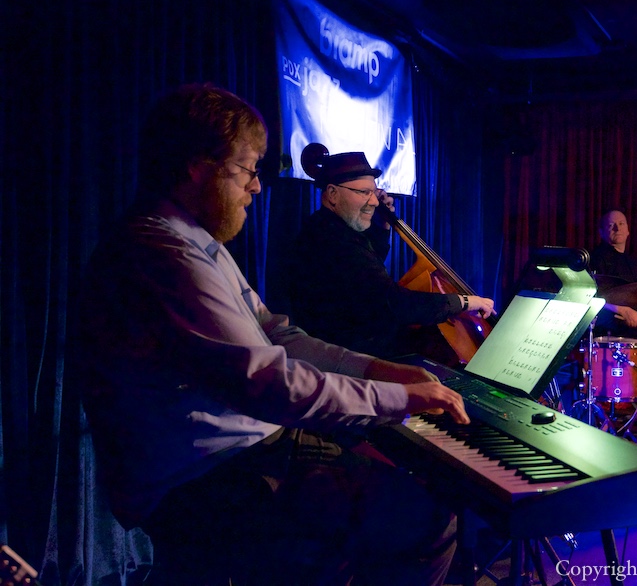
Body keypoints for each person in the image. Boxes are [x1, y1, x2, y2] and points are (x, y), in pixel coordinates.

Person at [77, 83, 470, 585]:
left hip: (244, 450)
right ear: (199, 166)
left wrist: (379, 371)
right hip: (209, 477)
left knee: (393, 490)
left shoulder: (198, 244)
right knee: (428, 516)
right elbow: (265, 381)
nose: (257, 187)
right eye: (247, 169)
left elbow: (276, 332)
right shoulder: (162, 253)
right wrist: (396, 397)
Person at [288, 143, 494, 361]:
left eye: (374, 193)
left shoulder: (330, 229)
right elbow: (395, 303)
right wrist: (465, 302)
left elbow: (365, 271)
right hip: (344, 362)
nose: (375, 201)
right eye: (364, 192)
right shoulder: (331, 239)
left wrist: (383, 225)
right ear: (332, 194)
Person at [589, 208, 637, 338]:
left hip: (635, 332)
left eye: (621, 224)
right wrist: (622, 310)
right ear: (601, 232)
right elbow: (590, 298)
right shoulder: (595, 258)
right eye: (611, 225)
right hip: (608, 333)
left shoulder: (633, 262)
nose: (617, 228)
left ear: (628, 230)